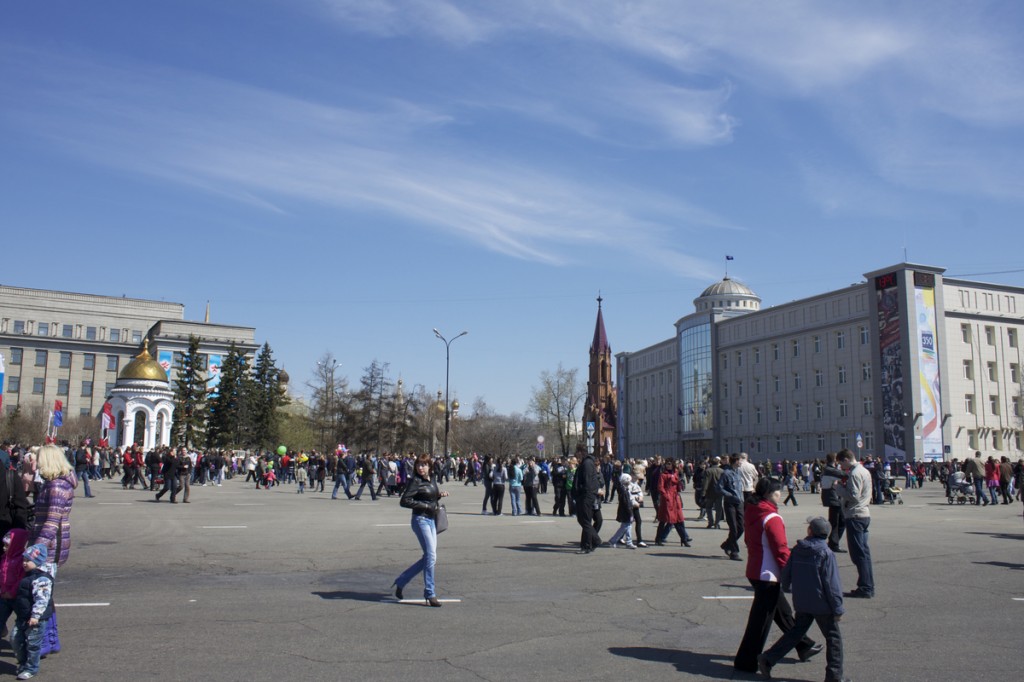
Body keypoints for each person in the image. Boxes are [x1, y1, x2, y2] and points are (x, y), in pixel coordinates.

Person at [734, 478, 819, 673]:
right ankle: (746, 661)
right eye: (778, 491)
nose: (780, 494)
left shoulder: (753, 511)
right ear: (770, 493)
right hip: (768, 574)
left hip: (756, 569)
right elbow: (781, 549)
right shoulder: (771, 517)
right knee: (760, 622)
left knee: (783, 614)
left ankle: (804, 645)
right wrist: (791, 573)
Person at [757, 517, 848, 682]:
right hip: (822, 604)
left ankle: (768, 658)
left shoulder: (798, 549)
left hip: (802, 601)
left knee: (795, 632)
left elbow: (786, 573)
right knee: (833, 638)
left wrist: (787, 587)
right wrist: (838, 608)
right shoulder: (826, 553)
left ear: (810, 531)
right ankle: (834, 676)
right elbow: (832, 584)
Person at [393, 453, 448, 607]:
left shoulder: (432, 479)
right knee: (431, 556)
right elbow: (404, 501)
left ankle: (402, 580)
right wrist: (425, 506)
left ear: (429, 466)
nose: (420, 468)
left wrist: (439, 495)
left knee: (430, 557)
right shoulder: (415, 481)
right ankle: (430, 593)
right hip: (420, 520)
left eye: (423, 465)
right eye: (418, 465)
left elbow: (430, 497)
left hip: (431, 520)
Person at [12, 543, 55, 680]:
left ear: (38, 561)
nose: (24, 563)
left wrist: (35, 616)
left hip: (36, 619)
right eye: (23, 560)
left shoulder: (41, 579)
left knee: (33, 644)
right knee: (15, 639)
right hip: (23, 616)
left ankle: (31, 668)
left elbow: (42, 600)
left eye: (27, 560)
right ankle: (23, 663)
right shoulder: (28, 576)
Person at [836, 449, 874, 598]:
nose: (841, 467)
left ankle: (865, 587)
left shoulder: (855, 473)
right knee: (864, 553)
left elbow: (853, 496)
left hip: (855, 515)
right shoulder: (863, 471)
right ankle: (867, 585)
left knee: (859, 554)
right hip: (863, 514)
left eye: (841, 463)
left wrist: (838, 488)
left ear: (846, 459)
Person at [654, 458, 692, 547]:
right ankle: (658, 539)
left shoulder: (676, 473)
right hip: (667, 499)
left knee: (680, 520)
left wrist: (680, 484)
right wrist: (666, 496)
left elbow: (678, 486)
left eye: (670, 463)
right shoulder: (663, 475)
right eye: (667, 463)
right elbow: (660, 487)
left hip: (675, 498)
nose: (668, 465)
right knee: (664, 520)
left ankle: (684, 539)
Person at [573, 445, 602, 554]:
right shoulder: (586, 462)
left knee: (584, 520)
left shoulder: (587, 464)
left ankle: (595, 540)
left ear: (581, 452)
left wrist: (580, 491)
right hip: (586, 495)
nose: (576, 454)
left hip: (586, 495)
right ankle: (586, 545)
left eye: (577, 452)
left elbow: (587, 482)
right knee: (585, 521)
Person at [819, 453, 847, 553]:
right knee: (837, 522)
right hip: (833, 498)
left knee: (838, 521)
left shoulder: (828, 469)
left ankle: (833, 543)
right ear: (835, 460)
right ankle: (833, 544)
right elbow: (844, 475)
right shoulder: (830, 470)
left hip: (833, 497)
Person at [719, 454, 744, 561]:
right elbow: (719, 488)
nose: (741, 462)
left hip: (739, 503)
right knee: (733, 528)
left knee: (741, 527)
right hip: (729, 503)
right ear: (735, 461)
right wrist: (729, 495)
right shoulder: (726, 473)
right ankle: (734, 552)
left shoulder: (738, 472)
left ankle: (727, 544)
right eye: (740, 460)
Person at [605, 473, 638, 549]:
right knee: (625, 526)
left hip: (625, 510)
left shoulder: (623, 488)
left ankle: (628, 542)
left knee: (627, 526)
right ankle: (614, 540)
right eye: (629, 480)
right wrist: (630, 513)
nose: (630, 482)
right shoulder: (623, 490)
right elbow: (626, 502)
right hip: (626, 511)